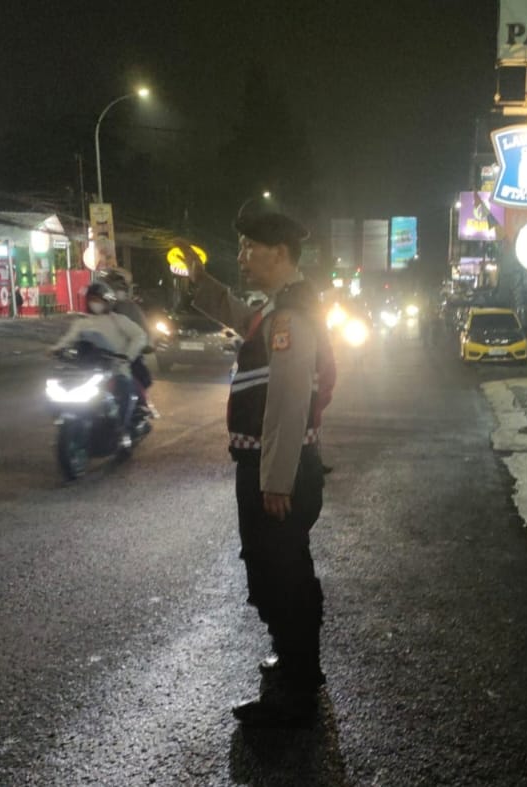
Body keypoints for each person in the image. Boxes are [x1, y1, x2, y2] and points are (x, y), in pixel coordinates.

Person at [181, 200, 334, 728]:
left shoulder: (291, 316)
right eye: (241, 247)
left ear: (280, 252)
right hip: (273, 466)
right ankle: (294, 664)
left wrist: (275, 481)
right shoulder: (278, 310)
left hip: (277, 470)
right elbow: (241, 317)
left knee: (282, 573)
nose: (242, 256)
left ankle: (296, 691)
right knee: (274, 567)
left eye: (250, 247)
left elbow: (288, 402)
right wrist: (201, 283)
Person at [50, 280, 147, 450]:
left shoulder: (118, 320)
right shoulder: (82, 323)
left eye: (98, 300)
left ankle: (122, 431)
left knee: (125, 392)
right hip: (88, 372)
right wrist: (56, 349)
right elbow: (68, 339)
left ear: (107, 301)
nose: (94, 303)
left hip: (116, 370)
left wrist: (128, 355)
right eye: (91, 300)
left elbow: (139, 336)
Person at [96, 267, 155, 418]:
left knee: (137, 377)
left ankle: (140, 406)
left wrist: (142, 347)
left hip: (126, 355)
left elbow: (143, 334)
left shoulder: (130, 308)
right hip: (101, 356)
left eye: (118, 287)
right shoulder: (96, 310)